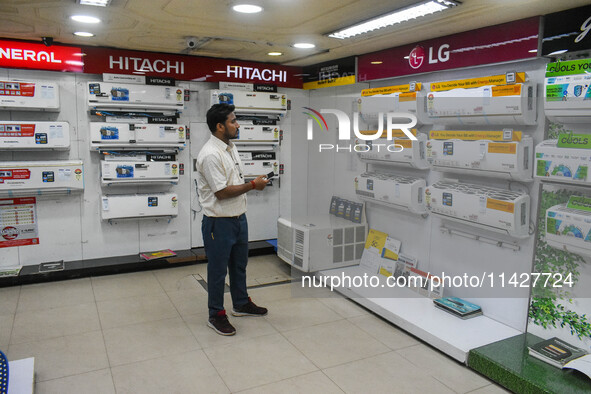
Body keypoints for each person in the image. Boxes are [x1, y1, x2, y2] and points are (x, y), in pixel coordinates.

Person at [196, 103, 270, 336]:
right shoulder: (210, 154)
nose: (237, 125)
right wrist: (252, 186)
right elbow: (221, 192)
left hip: (239, 218)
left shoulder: (230, 147)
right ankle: (216, 314)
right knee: (218, 271)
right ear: (220, 126)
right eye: (233, 121)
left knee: (239, 266)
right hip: (219, 222)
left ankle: (240, 303)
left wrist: (251, 183)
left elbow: (233, 181)